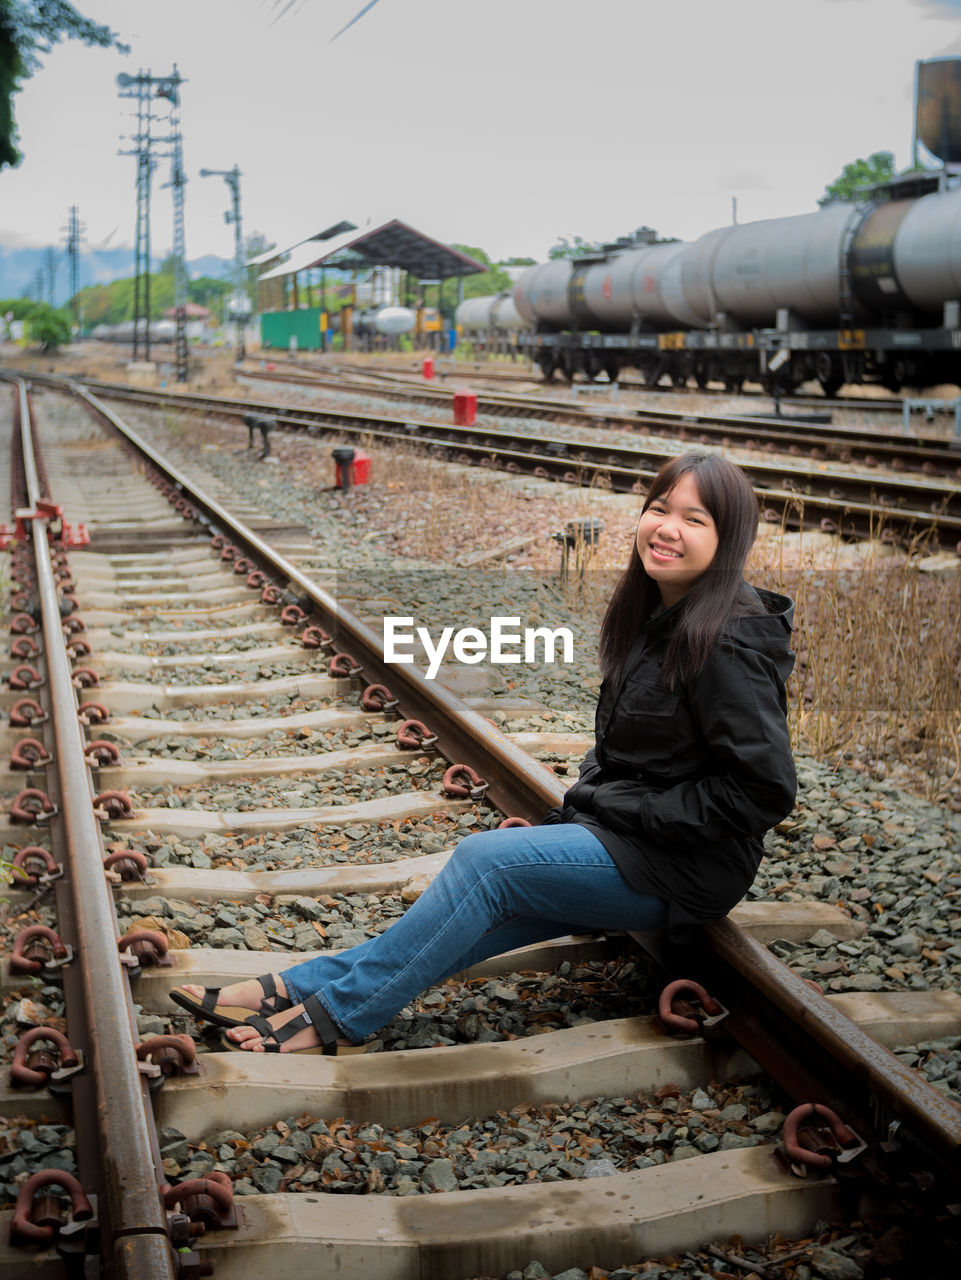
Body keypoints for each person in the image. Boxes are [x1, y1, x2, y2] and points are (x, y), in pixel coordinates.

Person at [171, 451, 797, 1056]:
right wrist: (585, 821)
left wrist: (623, 813)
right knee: (474, 910)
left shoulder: (729, 642)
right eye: (660, 508)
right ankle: (301, 986)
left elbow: (764, 790)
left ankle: (339, 1015)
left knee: (485, 864)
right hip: (632, 843)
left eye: (695, 519)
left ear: (728, 540)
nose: (667, 529)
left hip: (684, 867)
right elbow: (630, 755)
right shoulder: (661, 614)